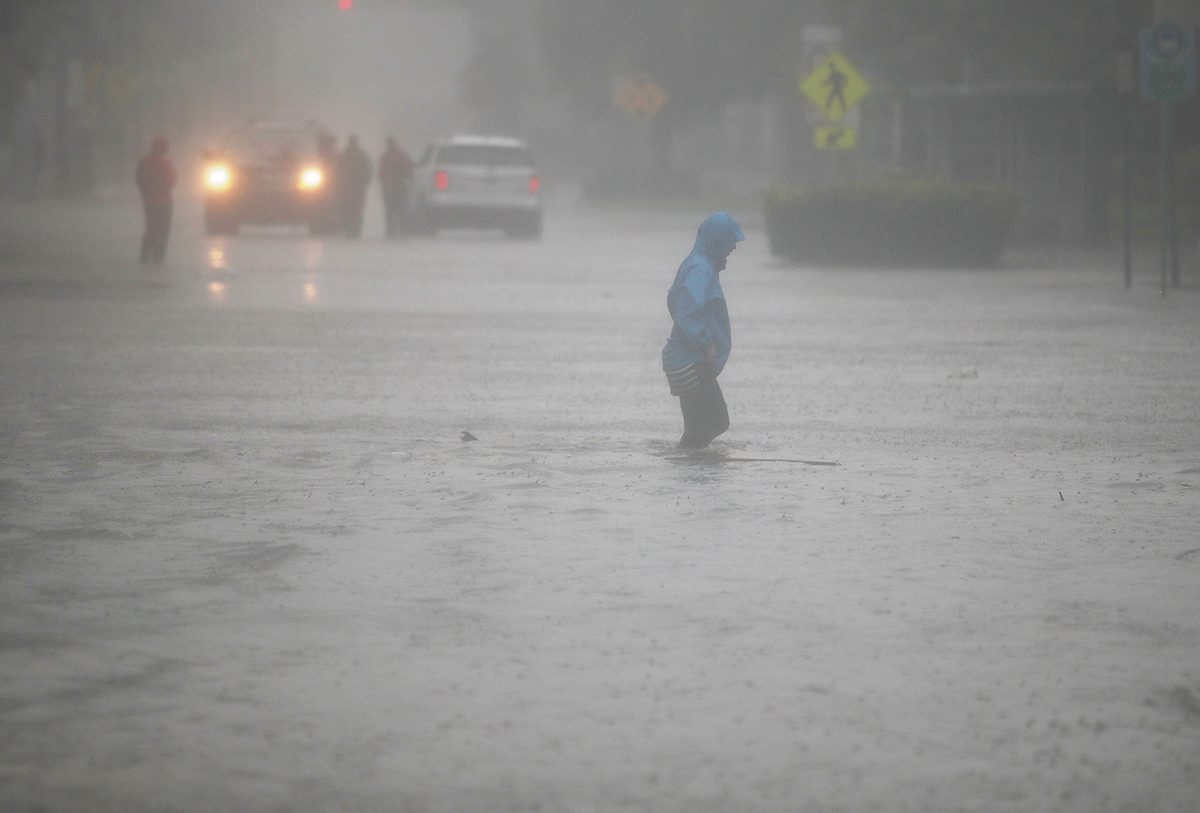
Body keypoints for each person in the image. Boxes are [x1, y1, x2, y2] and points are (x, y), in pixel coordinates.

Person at [661, 212, 744, 449]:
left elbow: (673, 300)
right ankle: (686, 462)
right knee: (715, 422)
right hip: (690, 361)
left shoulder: (695, 262)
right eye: (731, 240)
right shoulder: (701, 269)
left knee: (699, 426)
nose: (733, 248)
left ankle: (693, 471)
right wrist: (705, 343)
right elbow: (687, 310)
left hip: (682, 360)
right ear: (718, 239)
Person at [135, 135, 176, 265]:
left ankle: (146, 257)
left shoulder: (145, 162)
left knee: (152, 230)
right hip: (162, 202)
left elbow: (140, 180)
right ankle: (157, 258)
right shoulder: (164, 164)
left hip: (151, 201)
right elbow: (172, 181)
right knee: (161, 231)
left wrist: (147, 191)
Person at [378, 136, 414, 239]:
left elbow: (382, 172)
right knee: (397, 210)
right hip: (396, 187)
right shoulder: (399, 155)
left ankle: (394, 231)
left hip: (394, 186)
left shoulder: (387, 156)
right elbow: (409, 169)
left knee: (393, 210)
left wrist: (383, 183)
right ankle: (398, 231)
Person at [338, 134, 372, 238]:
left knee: (348, 209)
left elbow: (337, 171)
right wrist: (365, 183)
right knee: (356, 209)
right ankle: (355, 231)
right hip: (356, 188)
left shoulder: (344, 155)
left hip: (348, 188)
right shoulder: (361, 155)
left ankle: (350, 230)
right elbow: (368, 171)